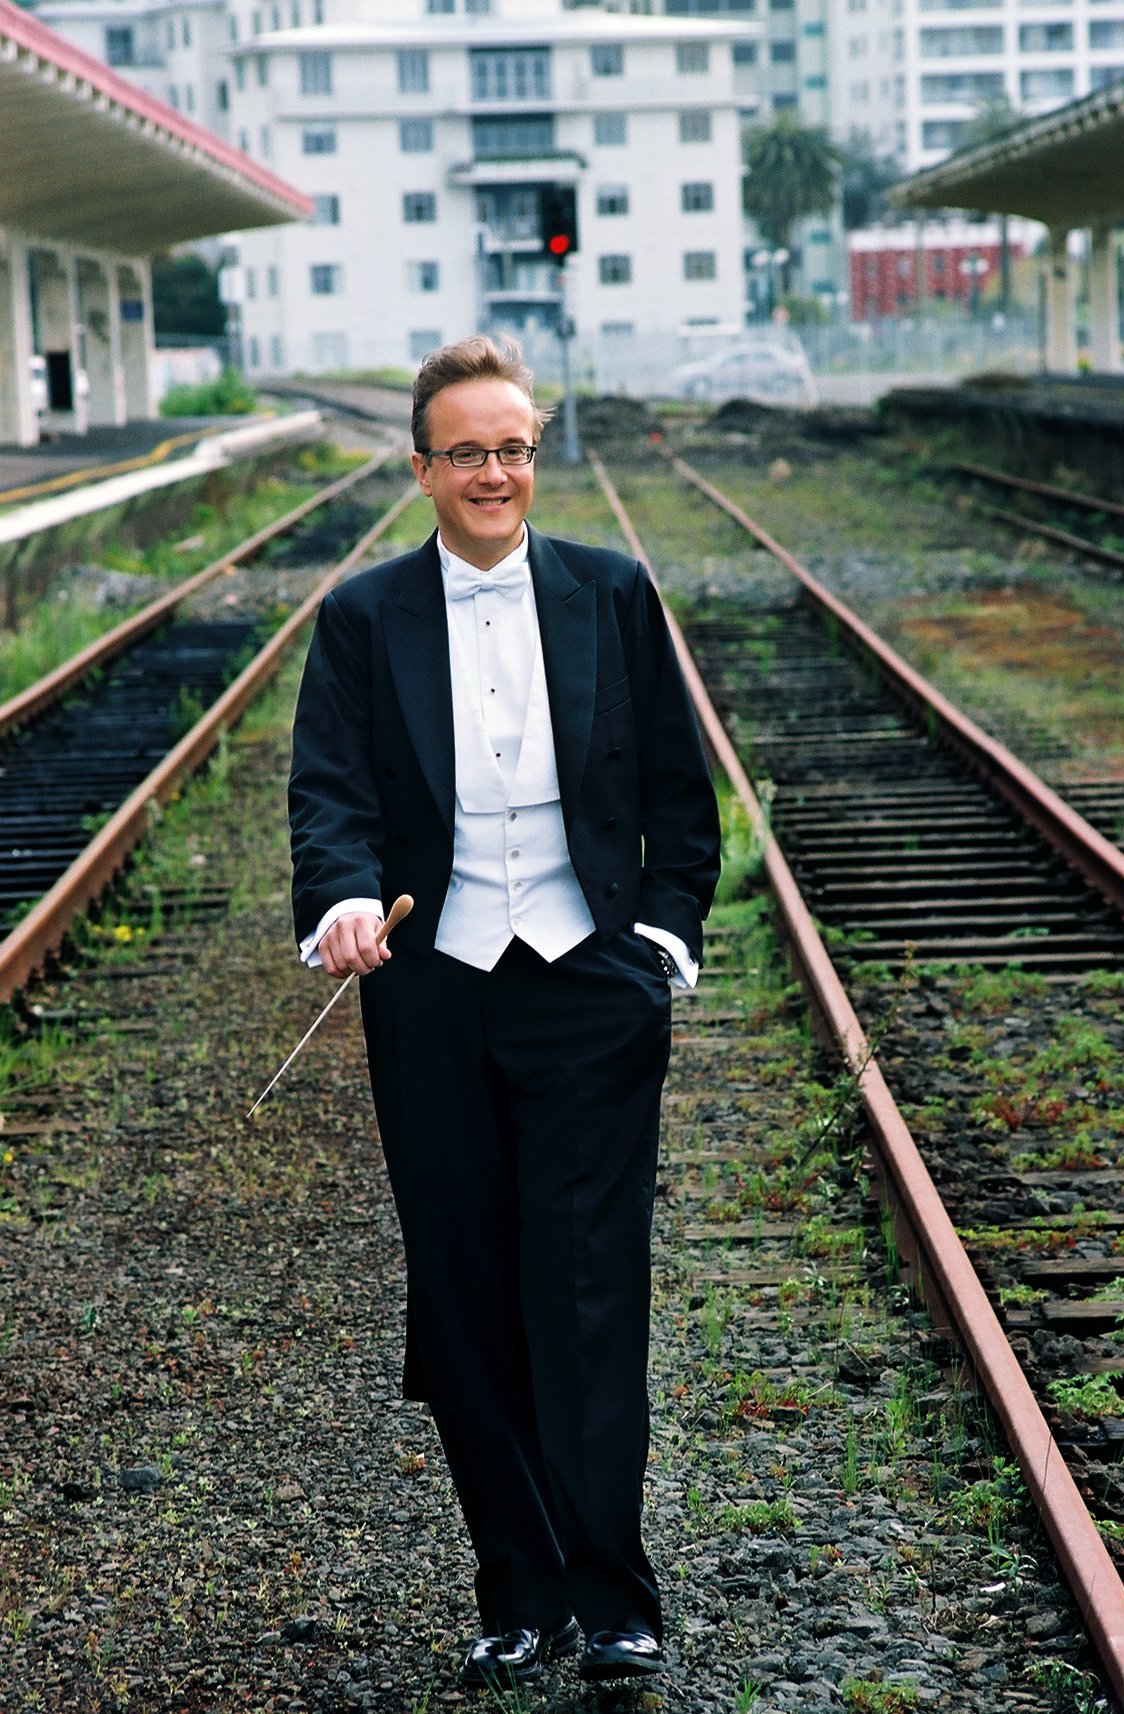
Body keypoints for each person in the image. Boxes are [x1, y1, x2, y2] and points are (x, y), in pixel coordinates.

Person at [288, 334, 721, 1689]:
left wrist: (658, 942)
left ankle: (615, 1596)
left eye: (514, 448)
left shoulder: (612, 593)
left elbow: (679, 791)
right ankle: (518, 1592)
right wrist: (343, 902)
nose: (495, 472)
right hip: (434, 994)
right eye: (468, 451)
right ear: (420, 468)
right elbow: (330, 796)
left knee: (586, 1289)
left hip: (589, 988)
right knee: (465, 1293)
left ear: (537, 456)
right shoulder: (362, 617)